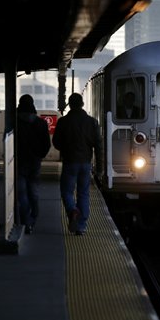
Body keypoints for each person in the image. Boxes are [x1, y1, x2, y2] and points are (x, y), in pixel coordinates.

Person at [52, 93, 102, 236]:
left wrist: (66, 148)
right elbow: (99, 145)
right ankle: (81, 226)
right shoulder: (92, 122)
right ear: (82, 104)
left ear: (70, 104)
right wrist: (99, 168)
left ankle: (72, 210)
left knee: (67, 191)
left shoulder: (63, 121)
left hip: (69, 162)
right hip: (86, 163)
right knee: (83, 193)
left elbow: (56, 142)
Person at [15, 94, 51, 234]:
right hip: (35, 162)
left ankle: (26, 221)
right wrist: (39, 155)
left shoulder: (15, 122)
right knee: (33, 191)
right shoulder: (41, 123)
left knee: (22, 193)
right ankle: (34, 216)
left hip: (20, 161)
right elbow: (46, 144)